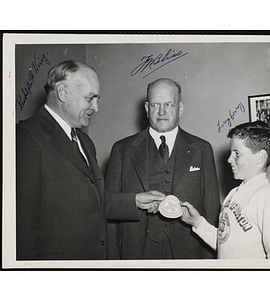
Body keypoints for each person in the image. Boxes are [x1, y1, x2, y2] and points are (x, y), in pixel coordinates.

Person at [16, 60, 164, 260]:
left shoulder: (84, 141)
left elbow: (93, 202)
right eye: (90, 98)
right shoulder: (26, 138)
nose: (96, 107)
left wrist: (135, 201)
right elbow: (22, 230)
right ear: (63, 93)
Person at [105, 78, 220, 259]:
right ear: (146, 108)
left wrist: (209, 262)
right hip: (136, 252)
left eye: (168, 104)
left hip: (188, 252)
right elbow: (108, 205)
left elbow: (211, 209)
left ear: (180, 108)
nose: (161, 112)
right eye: (155, 104)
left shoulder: (201, 149)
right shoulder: (122, 149)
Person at [181, 121, 270, 259]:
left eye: (237, 153)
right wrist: (197, 222)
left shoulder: (267, 196)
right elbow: (225, 244)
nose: (229, 159)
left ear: (260, 157)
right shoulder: (234, 194)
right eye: (230, 153)